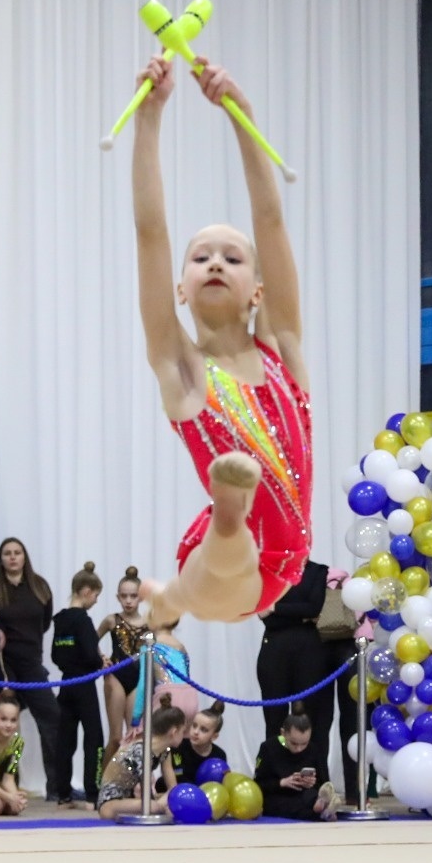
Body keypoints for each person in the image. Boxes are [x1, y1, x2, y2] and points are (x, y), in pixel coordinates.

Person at [130, 52, 312, 627]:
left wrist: (241, 114)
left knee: (215, 576)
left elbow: (271, 219)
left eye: (232, 258)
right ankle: (224, 521)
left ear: (258, 290)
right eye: (200, 257)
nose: (214, 263)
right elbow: (150, 233)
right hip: (232, 569)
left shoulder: (281, 350)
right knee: (221, 566)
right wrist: (149, 120)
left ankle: (167, 597)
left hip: (290, 562)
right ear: (179, 290)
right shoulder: (180, 369)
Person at [0, 537, 65, 803]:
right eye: (7, 553)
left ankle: (57, 787)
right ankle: (2, 788)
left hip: (32, 665)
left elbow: (44, 624)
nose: (12, 557)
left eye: (17, 553)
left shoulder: (39, 587)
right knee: (2, 726)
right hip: (5, 667)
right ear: (1, 559)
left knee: (53, 721)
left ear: (24, 557)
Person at [256, 560, 332, 768]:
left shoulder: (318, 570)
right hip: (274, 650)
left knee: (312, 718)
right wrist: (300, 616)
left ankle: (316, 777)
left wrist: (275, 607)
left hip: (309, 652)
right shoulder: (269, 570)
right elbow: (265, 616)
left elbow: (314, 606)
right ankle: (275, 774)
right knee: (274, 719)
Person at [51, 562, 106, 808]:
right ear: (85, 591)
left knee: (66, 740)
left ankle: (62, 792)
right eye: (96, 595)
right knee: (94, 738)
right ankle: (93, 792)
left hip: (66, 683)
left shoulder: (60, 620)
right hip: (84, 684)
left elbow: (55, 654)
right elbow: (89, 653)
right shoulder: (83, 620)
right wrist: (99, 663)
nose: (95, 601)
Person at [315, 566, 365, 802]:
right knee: (352, 723)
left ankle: (322, 790)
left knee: (320, 723)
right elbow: (365, 623)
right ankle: (355, 793)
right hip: (349, 648)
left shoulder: (313, 582)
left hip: (319, 647)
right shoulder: (352, 582)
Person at [96, 694, 184, 820]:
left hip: (130, 800)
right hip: (109, 805)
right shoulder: (141, 750)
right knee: (153, 807)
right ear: (174, 732)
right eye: (183, 731)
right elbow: (146, 792)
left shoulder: (165, 750)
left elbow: (173, 788)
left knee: (164, 803)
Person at [253, 702, 339, 821]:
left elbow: (325, 783)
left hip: (305, 795)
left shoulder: (314, 749)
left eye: (304, 744)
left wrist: (312, 782)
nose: (299, 749)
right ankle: (320, 812)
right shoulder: (268, 748)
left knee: (310, 795)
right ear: (283, 733)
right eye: (293, 743)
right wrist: (282, 782)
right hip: (278, 795)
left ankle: (320, 806)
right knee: (279, 805)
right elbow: (258, 784)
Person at [97, 567, 147, 765]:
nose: (128, 601)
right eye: (124, 596)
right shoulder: (112, 620)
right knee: (117, 737)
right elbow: (90, 640)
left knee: (133, 736)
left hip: (138, 680)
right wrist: (101, 657)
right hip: (116, 676)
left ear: (140, 597)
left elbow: (160, 649)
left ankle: (127, 783)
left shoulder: (149, 622)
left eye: (133, 596)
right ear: (118, 597)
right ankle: (104, 784)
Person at [173, 700, 228, 788]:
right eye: (194, 725)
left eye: (203, 730)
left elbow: (219, 785)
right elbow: (177, 778)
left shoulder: (220, 756)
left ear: (214, 736)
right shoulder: (178, 747)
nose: (196, 732)